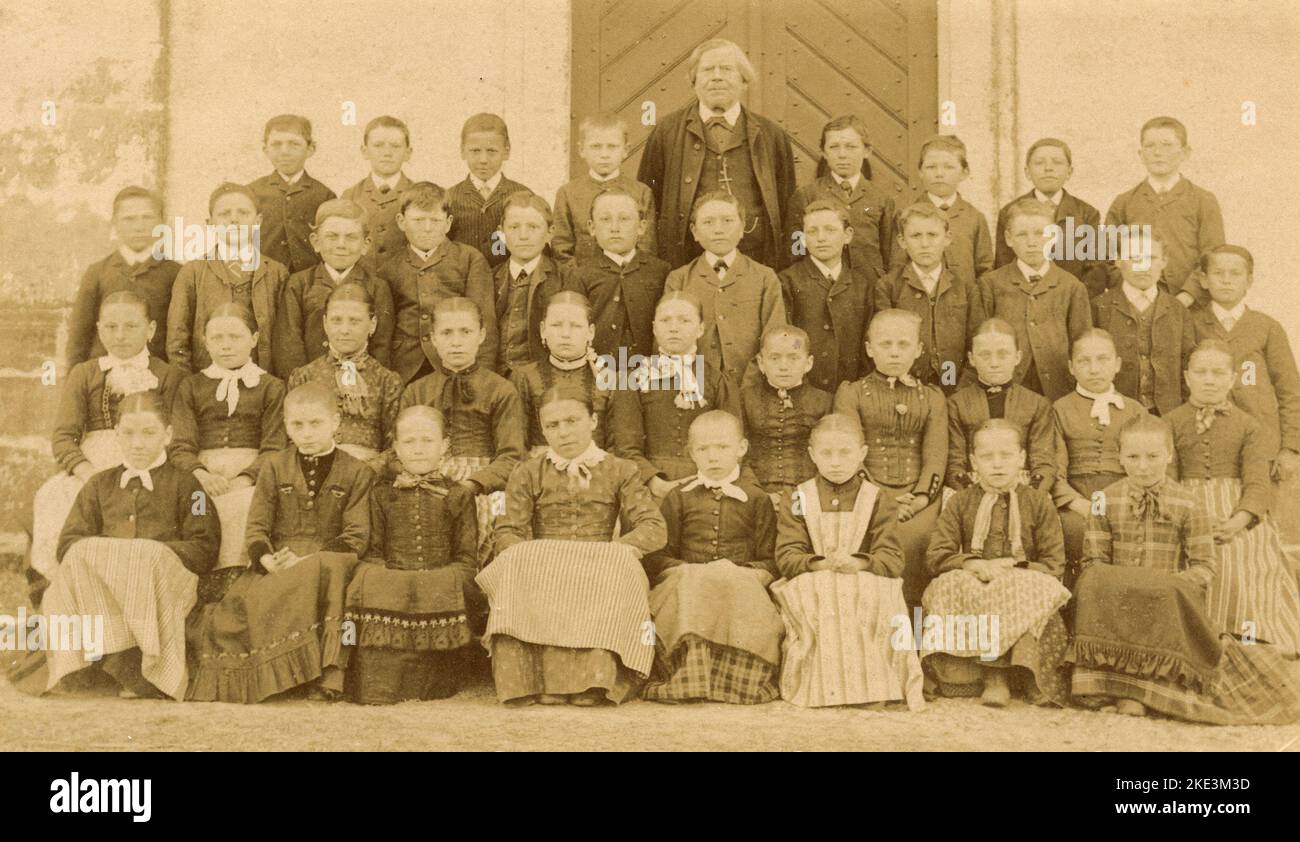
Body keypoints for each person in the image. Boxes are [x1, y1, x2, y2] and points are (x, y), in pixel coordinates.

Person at [1068, 415, 1300, 725]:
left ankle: (1144, 691)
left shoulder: (1189, 503)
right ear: (1120, 457)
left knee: (1166, 600)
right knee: (1092, 583)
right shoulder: (1104, 500)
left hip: (1166, 606)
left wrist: (1165, 584)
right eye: (1133, 457)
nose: (1143, 466)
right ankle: (1114, 684)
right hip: (1119, 603)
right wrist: (1130, 583)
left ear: (1168, 456)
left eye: (1152, 457)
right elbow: (1094, 563)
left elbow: (1204, 567)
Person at [13, 392, 219, 700]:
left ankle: (140, 665)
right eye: (129, 433)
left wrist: (148, 553)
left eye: (149, 433)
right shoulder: (99, 484)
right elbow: (69, 543)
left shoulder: (189, 486)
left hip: (161, 587)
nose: (138, 443)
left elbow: (204, 546)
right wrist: (115, 558)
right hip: (107, 591)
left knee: (141, 556)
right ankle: (94, 660)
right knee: (82, 555)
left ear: (168, 435)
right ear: (117, 435)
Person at [479, 385, 667, 705]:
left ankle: (593, 682)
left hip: (599, 561)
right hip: (545, 562)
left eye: (572, 421)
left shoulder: (620, 469)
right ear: (542, 429)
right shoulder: (527, 471)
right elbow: (508, 529)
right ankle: (536, 681)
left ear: (593, 421)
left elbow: (654, 527)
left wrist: (621, 549)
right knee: (514, 562)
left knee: (621, 567)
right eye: (553, 425)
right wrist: (533, 553)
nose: (563, 432)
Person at [187, 382, 374, 703]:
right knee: (238, 612)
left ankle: (329, 676)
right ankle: (288, 677)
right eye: (297, 424)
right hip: (280, 559)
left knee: (331, 569)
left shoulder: (358, 471)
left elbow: (356, 535)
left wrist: (311, 559)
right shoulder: (274, 466)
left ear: (335, 422)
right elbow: (257, 527)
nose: (307, 433)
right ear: (286, 426)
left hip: (331, 560)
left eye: (316, 423)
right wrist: (266, 559)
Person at [29, 291, 183, 591]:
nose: (120, 335)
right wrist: (86, 472)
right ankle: (67, 588)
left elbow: (175, 433)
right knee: (53, 496)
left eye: (131, 326)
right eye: (111, 327)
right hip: (94, 462)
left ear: (150, 330)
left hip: (148, 458)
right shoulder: (85, 373)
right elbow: (63, 437)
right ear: (99, 329)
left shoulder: (167, 376)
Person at [772, 413, 925, 709]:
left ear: (862, 454)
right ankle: (824, 687)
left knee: (868, 592)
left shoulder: (877, 497)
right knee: (825, 590)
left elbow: (891, 558)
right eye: (827, 453)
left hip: (862, 574)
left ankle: (873, 685)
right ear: (812, 455)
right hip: (814, 575)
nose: (836, 462)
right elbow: (787, 554)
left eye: (845, 453)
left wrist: (860, 562)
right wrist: (819, 564)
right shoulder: (799, 496)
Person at [923, 420, 1070, 706]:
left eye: (1006, 455)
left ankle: (1026, 673)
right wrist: (972, 564)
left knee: (1022, 586)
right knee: (951, 584)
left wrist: (1014, 568)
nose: (997, 464)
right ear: (973, 462)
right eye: (988, 457)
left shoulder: (1039, 502)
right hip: (975, 576)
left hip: (1021, 577)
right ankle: (991, 677)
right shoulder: (960, 502)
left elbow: (1054, 563)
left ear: (1022, 459)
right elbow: (938, 554)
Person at [1167, 340, 1300, 656]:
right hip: (1188, 507)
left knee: (1243, 552)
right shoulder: (1171, 422)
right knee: (1196, 555)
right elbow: (1168, 479)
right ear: (1187, 378)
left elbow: (1257, 483)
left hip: (1236, 509)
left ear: (1232, 378)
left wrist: (1239, 520)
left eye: (1218, 372)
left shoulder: (1249, 426)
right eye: (1201, 372)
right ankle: (1202, 634)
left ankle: (1250, 634)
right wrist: (1193, 519)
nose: (1209, 380)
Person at [343, 406, 483, 704]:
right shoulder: (380, 494)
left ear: (445, 445)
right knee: (371, 579)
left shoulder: (459, 495)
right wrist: (397, 582)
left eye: (427, 441)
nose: (418, 450)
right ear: (395, 447)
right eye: (409, 442)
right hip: (393, 582)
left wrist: (436, 581)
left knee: (447, 584)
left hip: (441, 584)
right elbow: (375, 552)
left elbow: (466, 558)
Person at [642, 411, 783, 704]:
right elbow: (659, 555)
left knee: (734, 585)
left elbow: (770, 558)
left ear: (741, 449)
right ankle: (688, 676)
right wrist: (689, 571)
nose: (713, 457)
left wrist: (746, 572)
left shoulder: (756, 499)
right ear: (692, 453)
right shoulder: (678, 497)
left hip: (739, 583)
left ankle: (735, 682)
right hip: (688, 583)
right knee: (694, 585)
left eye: (722, 447)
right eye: (703, 449)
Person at [637, 38, 796, 269]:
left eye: (727, 69)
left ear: (744, 80)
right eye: (708, 70)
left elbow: (787, 204)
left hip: (756, 260)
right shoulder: (666, 132)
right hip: (685, 260)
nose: (717, 76)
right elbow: (648, 201)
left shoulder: (772, 135)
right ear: (694, 81)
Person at [832, 309, 947, 605]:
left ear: (919, 349)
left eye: (903, 344)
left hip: (918, 499)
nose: (894, 353)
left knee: (922, 537)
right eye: (885, 345)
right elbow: (850, 454)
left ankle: (915, 631)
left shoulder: (933, 397)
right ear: (870, 349)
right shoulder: (852, 393)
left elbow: (935, 456)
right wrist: (881, 500)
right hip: (866, 495)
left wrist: (921, 498)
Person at [399, 297, 524, 564]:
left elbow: (511, 456)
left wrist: (473, 483)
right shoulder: (417, 390)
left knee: (496, 516)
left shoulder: (500, 389)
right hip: (428, 476)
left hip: (484, 484)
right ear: (432, 337)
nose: (456, 342)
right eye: (446, 333)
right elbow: (401, 449)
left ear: (481, 335)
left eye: (465, 332)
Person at [169, 303, 286, 570]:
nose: (226, 345)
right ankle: (202, 576)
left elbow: (274, 447)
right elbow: (181, 447)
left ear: (254, 339)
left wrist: (244, 479)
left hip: (252, 474)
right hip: (201, 475)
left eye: (235, 337)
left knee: (248, 506)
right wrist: (202, 475)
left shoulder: (271, 386)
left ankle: (235, 576)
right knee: (196, 507)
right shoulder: (191, 386)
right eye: (217, 338)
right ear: (205, 342)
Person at [610, 290, 739, 496]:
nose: (673, 328)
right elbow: (626, 447)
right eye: (665, 320)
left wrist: (707, 480)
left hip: (708, 485)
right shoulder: (634, 380)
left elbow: (732, 442)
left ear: (700, 329)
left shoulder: (717, 380)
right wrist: (652, 481)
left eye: (684, 320)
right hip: (649, 488)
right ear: (654, 328)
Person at [1190, 244, 1300, 477]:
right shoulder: (1191, 324)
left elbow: (1290, 391)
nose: (1226, 281)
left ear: (1249, 280)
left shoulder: (1267, 327)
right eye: (1218, 274)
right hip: (1207, 442)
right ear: (1204, 279)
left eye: (1235, 274)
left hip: (1260, 442)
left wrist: (1290, 447)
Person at [1052, 329, 1148, 576]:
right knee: (1074, 531)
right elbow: (1055, 470)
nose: (1094, 369)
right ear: (1072, 367)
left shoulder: (1135, 410)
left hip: (1127, 499)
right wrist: (1080, 504)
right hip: (1076, 501)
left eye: (1103, 360)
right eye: (1084, 361)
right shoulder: (1059, 410)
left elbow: (1145, 466)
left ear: (1117, 364)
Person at [663, 191, 787, 383]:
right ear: (694, 232)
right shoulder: (679, 279)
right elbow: (669, 341)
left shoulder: (764, 277)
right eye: (708, 222)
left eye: (727, 221)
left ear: (742, 228)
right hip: (696, 387)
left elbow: (775, 339)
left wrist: (749, 386)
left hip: (751, 387)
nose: (718, 229)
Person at [166, 182, 289, 376]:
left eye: (243, 213)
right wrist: (188, 386)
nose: (234, 220)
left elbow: (285, 339)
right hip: (207, 384)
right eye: (224, 214)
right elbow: (177, 338)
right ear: (210, 224)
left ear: (258, 221)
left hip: (262, 384)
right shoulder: (193, 272)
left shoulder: (276, 273)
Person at [383, 181, 498, 383]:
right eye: (418, 220)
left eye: (435, 221)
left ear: (448, 222)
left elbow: (484, 322)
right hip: (405, 368)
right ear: (401, 221)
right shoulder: (389, 268)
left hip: (457, 366)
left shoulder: (469, 259)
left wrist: (481, 376)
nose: (427, 228)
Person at [1104, 116, 1224, 305]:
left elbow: (1213, 256)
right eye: (1150, 146)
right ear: (1140, 154)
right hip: (1135, 303)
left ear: (1185, 153)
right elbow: (1109, 256)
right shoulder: (1124, 202)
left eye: (1167, 145)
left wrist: (1188, 295)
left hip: (1188, 305)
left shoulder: (1203, 200)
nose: (1158, 153)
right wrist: (1135, 292)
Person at [288, 282, 402, 475]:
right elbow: (291, 439)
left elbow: (395, 447)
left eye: (354, 321)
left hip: (367, 476)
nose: (344, 330)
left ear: (372, 324)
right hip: (312, 473)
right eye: (336, 320)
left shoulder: (387, 380)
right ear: (325, 323)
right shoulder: (304, 376)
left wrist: (363, 471)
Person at [876, 201, 986, 393]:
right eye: (916, 236)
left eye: (932, 235)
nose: (925, 244)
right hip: (904, 388)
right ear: (902, 241)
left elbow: (975, 342)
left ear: (947, 239)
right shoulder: (889, 286)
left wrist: (961, 390)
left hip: (952, 384)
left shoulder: (965, 288)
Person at [278, 198, 395, 371]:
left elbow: (382, 346)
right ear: (316, 242)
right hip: (311, 385)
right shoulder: (299, 283)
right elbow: (290, 344)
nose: (341, 245)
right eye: (332, 236)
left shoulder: (377, 288)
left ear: (365, 244)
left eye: (351, 237)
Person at [66, 186, 178, 365]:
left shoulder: (175, 273)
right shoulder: (97, 273)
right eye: (129, 219)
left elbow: (179, 336)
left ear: (161, 223)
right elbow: (79, 336)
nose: (139, 226)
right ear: (115, 224)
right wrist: (75, 383)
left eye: (147, 217)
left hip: (155, 377)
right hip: (103, 376)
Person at [1090, 227, 1193, 415]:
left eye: (1151, 258)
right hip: (1115, 412)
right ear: (1118, 261)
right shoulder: (1098, 308)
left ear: (1164, 262)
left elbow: (1188, 366)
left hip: (1168, 414)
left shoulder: (1178, 311)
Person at [946, 319, 1056, 494]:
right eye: (985, 355)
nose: (994, 363)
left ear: (1017, 357)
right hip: (971, 487)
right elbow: (954, 462)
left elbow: (1044, 463)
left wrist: (1030, 494)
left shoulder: (1037, 404)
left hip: (1024, 487)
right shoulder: (956, 404)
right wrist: (971, 494)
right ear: (972, 359)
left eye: (1003, 354)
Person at [561, 186, 670, 360]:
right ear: (592, 227)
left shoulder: (661, 271)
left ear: (641, 227)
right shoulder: (580, 275)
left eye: (624, 219)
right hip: (599, 369)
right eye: (605, 219)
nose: (614, 228)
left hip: (649, 369)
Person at [778, 198, 875, 392]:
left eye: (830, 230)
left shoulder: (862, 285)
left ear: (847, 235)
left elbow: (868, 345)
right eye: (812, 231)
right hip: (803, 390)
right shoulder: (788, 281)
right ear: (803, 238)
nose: (820, 238)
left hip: (850, 391)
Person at [784, 114, 896, 280]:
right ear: (824, 152)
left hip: (870, 286)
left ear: (867, 151)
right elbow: (796, 249)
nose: (842, 154)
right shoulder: (807, 195)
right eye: (834, 147)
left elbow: (890, 254)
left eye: (851, 147)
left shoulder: (881, 199)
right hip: (821, 284)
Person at [993, 137, 1107, 297]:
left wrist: (1074, 302)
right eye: (1039, 163)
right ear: (1027, 172)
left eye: (1057, 162)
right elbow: (1003, 266)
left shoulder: (1087, 213)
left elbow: (1096, 271)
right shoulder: (1010, 212)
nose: (1048, 168)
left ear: (1069, 171)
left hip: (1072, 302)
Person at [510, 292, 614, 454]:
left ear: (590, 332)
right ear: (543, 330)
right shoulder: (524, 377)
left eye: (576, 326)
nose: (566, 334)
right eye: (557, 325)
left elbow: (616, 445)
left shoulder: (609, 378)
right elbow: (517, 444)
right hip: (539, 472)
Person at [740, 326, 832, 503]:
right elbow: (737, 453)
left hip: (808, 495)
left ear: (808, 363)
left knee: (796, 526)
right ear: (761, 363)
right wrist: (757, 493)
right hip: (755, 494)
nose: (783, 366)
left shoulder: (824, 401)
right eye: (774, 358)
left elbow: (828, 456)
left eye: (793, 358)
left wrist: (805, 495)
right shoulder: (745, 399)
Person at [552, 113, 657, 262]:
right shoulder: (568, 193)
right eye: (596, 146)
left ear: (626, 150)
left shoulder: (641, 192)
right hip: (583, 280)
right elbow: (561, 247)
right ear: (582, 150)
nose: (604, 154)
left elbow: (647, 246)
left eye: (612, 146)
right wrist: (578, 278)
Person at [892, 135, 992, 284]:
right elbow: (897, 266)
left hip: (965, 302)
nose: (939, 174)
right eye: (931, 167)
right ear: (920, 172)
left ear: (964, 172)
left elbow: (985, 269)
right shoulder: (905, 215)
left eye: (948, 167)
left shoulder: (974, 217)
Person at [247, 114, 336, 274]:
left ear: (310, 149)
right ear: (265, 150)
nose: (284, 152)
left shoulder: (324, 195)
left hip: (309, 281)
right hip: (263, 278)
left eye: (294, 144)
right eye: (276, 144)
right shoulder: (252, 192)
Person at [493, 191, 569, 373]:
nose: (523, 236)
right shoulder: (490, 278)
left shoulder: (563, 278)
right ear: (501, 233)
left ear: (550, 232)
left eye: (533, 227)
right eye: (514, 227)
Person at [446, 113, 533, 268]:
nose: (483, 160)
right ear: (462, 151)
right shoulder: (450, 197)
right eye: (475, 151)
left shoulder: (523, 195)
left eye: (492, 151)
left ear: (506, 151)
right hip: (464, 284)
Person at [340, 115, 416, 269]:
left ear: (408, 152)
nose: (387, 153)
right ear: (365, 151)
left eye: (395, 146)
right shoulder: (350, 196)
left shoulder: (418, 194)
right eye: (378, 145)